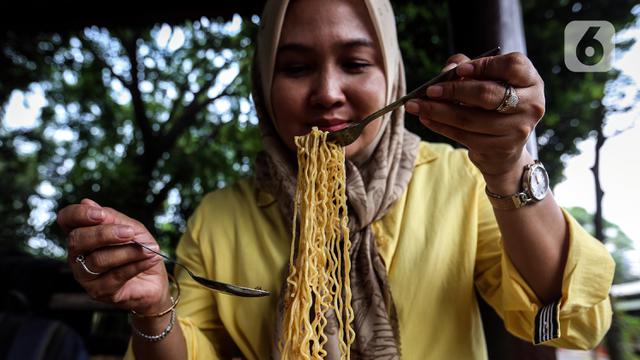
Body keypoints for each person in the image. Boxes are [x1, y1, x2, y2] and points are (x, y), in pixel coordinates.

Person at [56, 0, 615, 358]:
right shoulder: (221, 217)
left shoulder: (459, 181)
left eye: (355, 63)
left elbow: (570, 322)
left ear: (392, 73)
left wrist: (507, 169)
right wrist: (154, 308)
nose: (327, 92)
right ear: (263, 88)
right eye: (296, 68)